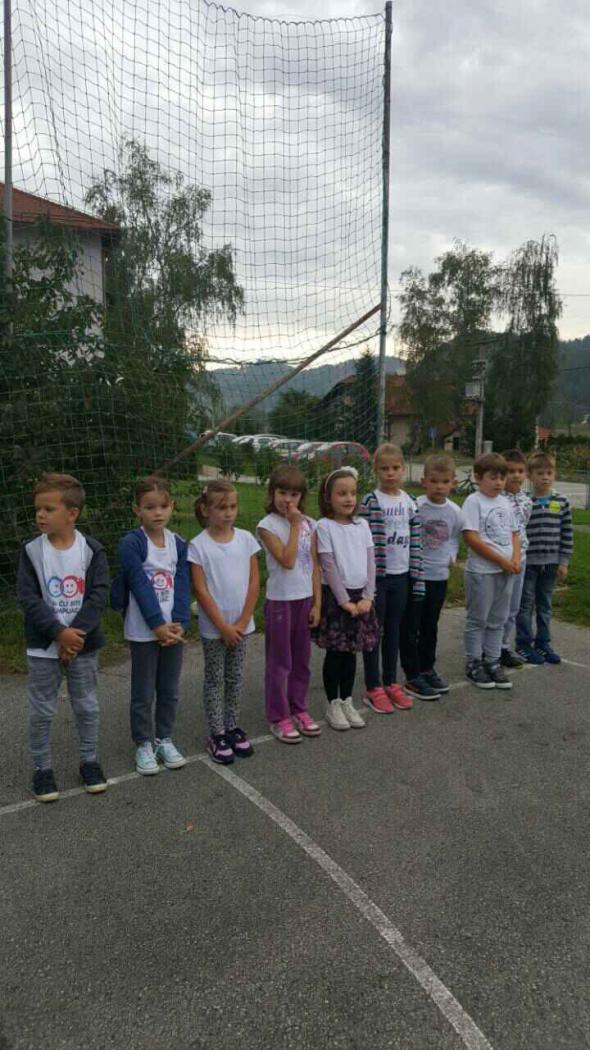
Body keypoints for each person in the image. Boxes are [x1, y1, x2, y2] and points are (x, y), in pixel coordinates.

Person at [17, 472, 110, 802]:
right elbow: (28, 598)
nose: (40, 515)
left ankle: (89, 762)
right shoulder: (31, 551)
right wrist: (59, 633)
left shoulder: (92, 550)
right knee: (42, 710)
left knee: (86, 706)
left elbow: (98, 595)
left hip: (83, 645)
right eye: (38, 509)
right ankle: (42, 769)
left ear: (72, 513)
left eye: (48, 509)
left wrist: (75, 636)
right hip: (44, 647)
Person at [112, 475, 190, 775]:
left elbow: (182, 583)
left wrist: (179, 622)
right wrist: (157, 625)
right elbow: (139, 584)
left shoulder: (178, 543)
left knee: (169, 689)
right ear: (137, 510)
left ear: (172, 507)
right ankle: (143, 743)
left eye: (163, 506)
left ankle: (164, 738)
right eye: (149, 507)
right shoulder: (131, 543)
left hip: (172, 629)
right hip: (144, 630)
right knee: (143, 692)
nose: (157, 513)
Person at [189, 481, 260, 764]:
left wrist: (242, 621)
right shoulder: (198, 545)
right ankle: (216, 733)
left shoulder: (246, 539)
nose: (228, 513)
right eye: (221, 508)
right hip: (215, 629)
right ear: (206, 510)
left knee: (235, 676)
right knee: (215, 679)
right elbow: (201, 590)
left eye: (232, 506)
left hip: (242, 627)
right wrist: (223, 627)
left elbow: (254, 582)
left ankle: (232, 726)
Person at [359, 443, 427, 712]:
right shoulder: (370, 501)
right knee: (373, 632)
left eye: (395, 468)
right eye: (384, 468)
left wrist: (416, 577)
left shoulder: (410, 502)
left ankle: (390, 681)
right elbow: (361, 541)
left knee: (394, 630)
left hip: (403, 576)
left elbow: (417, 542)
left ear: (403, 469)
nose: (390, 473)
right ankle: (373, 686)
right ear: (376, 470)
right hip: (378, 579)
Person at [257, 465, 322, 744]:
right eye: (282, 492)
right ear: (272, 493)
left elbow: (314, 565)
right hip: (281, 602)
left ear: (301, 497)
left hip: (304, 599)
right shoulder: (267, 525)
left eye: (294, 494)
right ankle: (278, 716)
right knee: (279, 663)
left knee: (301, 661)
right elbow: (287, 560)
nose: (288, 500)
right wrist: (295, 526)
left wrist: (317, 603)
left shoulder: (310, 524)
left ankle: (298, 708)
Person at [313, 466, 379, 731]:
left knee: (352, 652)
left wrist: (368, 597)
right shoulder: (324, 526)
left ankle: (347, 700)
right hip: (337, 598)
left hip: (361, 598)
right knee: (336, 653)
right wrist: (344, 601)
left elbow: (371, 562)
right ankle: (333, 704)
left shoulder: (363, 525)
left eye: (352, 493)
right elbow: (328, 566)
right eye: (341, 493)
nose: (349, 498)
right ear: (328, 498)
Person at [399, 453, 463, 697]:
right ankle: (412, 674)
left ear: (453, 483)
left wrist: (452, 556)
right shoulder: (415, 505)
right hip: (416, 575)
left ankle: (427, 668)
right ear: (424, 481)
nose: (439, 486)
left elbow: (455, 537)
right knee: (411, 626)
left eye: (445, 482)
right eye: (434, 481)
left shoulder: (455, 511)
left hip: (439, 576)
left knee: (430, 626)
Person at [462, 453, 520, 690]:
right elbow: (471, 537)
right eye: (493, 477)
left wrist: (515, 559)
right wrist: (500, 560)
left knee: (498, 619)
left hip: (505, 571)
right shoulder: (474, 501)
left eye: (502, 478)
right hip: (482, 572)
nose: (498, 482)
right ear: (478, 478)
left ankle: (493, 660)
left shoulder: (505, 502)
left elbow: (514, 534)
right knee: (478, 619)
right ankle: (474, 662)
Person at [515, 451, 573, 664]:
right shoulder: (524, 501)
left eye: (549, 473)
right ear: (530, 476)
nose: (545, 477)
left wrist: (563, 561)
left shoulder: (562, 501)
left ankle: (543, 642)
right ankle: (523, 643)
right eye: (540, 473)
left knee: (545, 604)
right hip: (528, 563)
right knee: (525, 604)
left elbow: (567, 533)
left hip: (551, 564)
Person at [499, 449, 533, 668]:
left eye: (520, 471)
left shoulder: (527, 501)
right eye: (510, 471)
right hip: (500, 559)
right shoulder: (496, 499)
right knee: (498, 607)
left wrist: (519, 556)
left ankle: (503, 646)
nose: (516, 476)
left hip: (520, 559)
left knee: (513, 607)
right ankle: (488, 648)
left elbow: (522, 529)